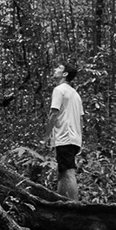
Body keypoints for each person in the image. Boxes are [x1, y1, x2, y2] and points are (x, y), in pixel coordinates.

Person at [46, 62, 84, 200]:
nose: (55, 69)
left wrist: (47, 135)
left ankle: (74, 206)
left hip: (65, 136)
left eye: (59, 68)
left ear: (65, 74)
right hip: (74, 138)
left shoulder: (59, 90)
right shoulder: (75, 94)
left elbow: (54, 113)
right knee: (62, 171)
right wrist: (80, 139)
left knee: (68, 173)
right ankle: (61, 202)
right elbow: (81, 120)